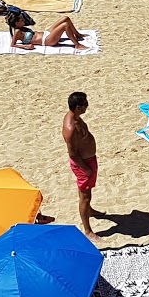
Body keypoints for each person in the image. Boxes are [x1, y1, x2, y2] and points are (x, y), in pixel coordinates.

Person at [63, 91, 101, 239]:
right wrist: (86, 169)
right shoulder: (71, 128)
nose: (87, 106)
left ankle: (89, 210)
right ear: (78, 107)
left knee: (86, 193)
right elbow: (72, 154)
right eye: (85, 104)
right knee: (85, 196)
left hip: (88, 161)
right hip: (83, 165)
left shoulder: (76, 118)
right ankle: (88, 230)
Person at [6, 9, 88, 51]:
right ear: (16, 23)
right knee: (65, 25)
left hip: (46, 33)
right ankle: (77, 45)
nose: (24, 21)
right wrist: (26, 46)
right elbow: (12, 45)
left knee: (65, 18)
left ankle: (77, 34)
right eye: (21, 20)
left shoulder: (20, 28)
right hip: (47, 40)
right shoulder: (17, 32)